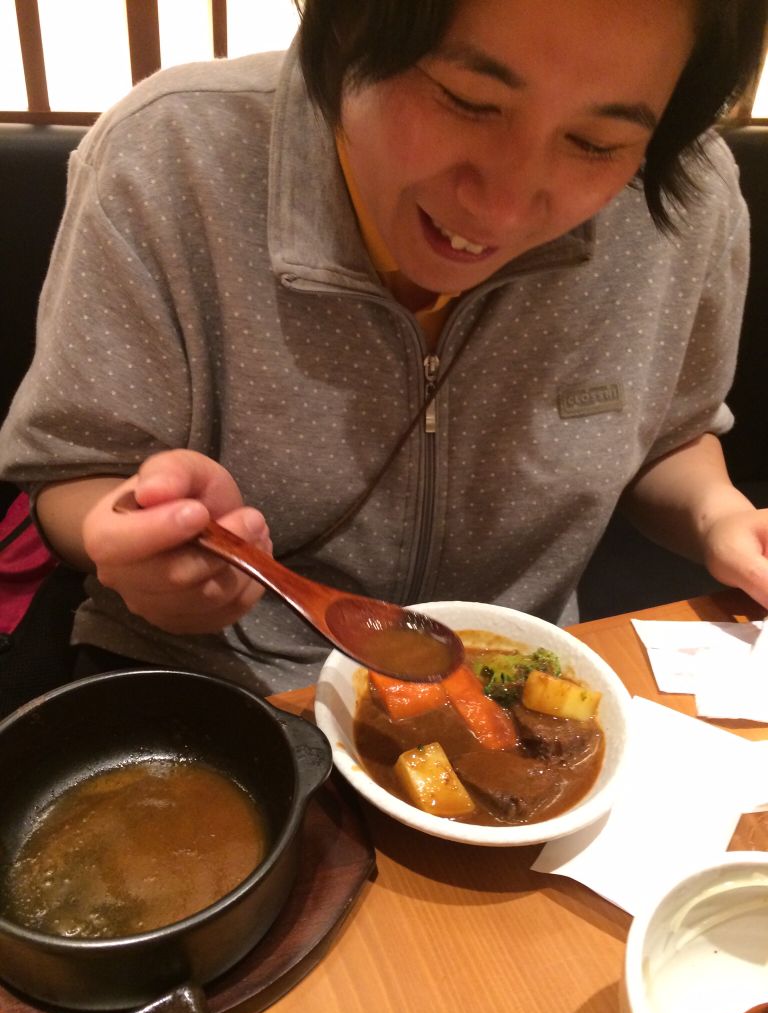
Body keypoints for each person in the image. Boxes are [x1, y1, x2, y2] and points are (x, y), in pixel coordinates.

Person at [1, 0, 767, 694]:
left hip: (502, 682)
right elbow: (75, 465)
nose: (503, 207)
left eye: (597, 142)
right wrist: (133, 538)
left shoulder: (683, 205)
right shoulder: (171, 158)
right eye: (468, 100)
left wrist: (718, 517)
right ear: (344, 28)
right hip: (216, 686)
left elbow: (671, 434)